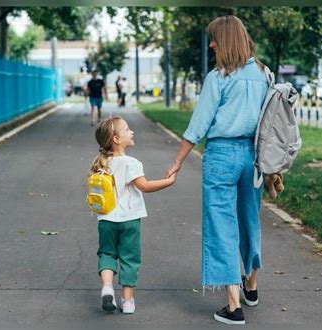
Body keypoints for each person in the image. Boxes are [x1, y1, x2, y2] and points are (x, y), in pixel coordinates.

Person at [165, 15, 268, 325]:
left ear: (225, 41)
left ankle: (233, 306)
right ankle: (251, 285)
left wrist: (178, 161)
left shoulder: (218, 77)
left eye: (214, 39)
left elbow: (198, 125)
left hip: (222, 156)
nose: (211, 44)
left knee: (222, 223)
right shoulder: (264, 74)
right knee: (250, 218)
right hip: (254, 156)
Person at [89, 116, 177, 314]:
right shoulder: (131, 163)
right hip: (129, 220)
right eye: (127, 129)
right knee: (130, 258)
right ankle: (127, 301)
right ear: (116, 139)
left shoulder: (101, 163)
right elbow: (144, 186)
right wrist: (168, 182)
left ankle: (107, 287)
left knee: (107, 253)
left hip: (106, 219)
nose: (132, 132)